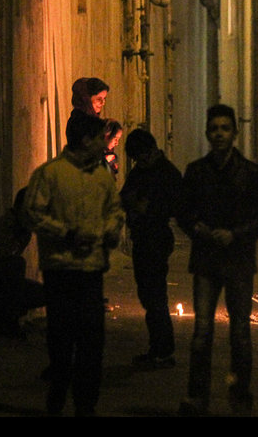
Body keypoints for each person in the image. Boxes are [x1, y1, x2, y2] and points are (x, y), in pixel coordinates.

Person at [23, 113, 125, 417]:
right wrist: (66, 234)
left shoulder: (101, 176)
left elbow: (114, 211)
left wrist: (109, 231)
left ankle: (85, 405)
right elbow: (32, 213)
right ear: (85, 140)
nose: (102, 144)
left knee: (92, 342)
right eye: (98, 138)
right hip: (61, 270)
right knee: (62, 340)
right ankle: (56, 400)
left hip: (92, 270)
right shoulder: (51, 174)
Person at [177, 104, 258, 416]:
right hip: (206, 260)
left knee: (240, 332)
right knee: (202, 332)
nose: (219, 134)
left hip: (239, 261)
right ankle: (197, 396)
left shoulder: (250, 173)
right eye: (214, 128)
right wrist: (198, 229)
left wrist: (236, 235)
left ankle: (240, 394)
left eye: (224, 128)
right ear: (207, 133)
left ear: (234, 133)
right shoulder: (196, 172)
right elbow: (182, 212)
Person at [119, 128, 183, 370]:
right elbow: (125, 195)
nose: (138, 162)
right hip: (143, 237)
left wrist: (148, 207)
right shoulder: (143, 171)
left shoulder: (166, 173)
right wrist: (135, 203)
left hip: (156, 237)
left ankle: (163, 350)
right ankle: (158, 349)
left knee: (155, 296)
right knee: (149, 295)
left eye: (139, 156)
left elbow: (174, 205)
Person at [0, 187, 45, 339]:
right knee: (16, 264)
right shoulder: (2, 227)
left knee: (46, 292)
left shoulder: (24, 232)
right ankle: (4, 322)